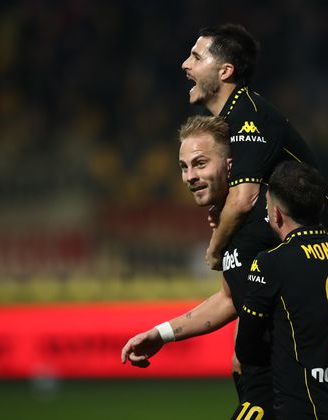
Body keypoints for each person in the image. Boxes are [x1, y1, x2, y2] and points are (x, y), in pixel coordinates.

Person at [121, 115, 279, 419]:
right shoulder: (230, 224)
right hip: (256, 384)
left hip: (285, 386)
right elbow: (229, 299)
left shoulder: (269, 214)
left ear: (231, 165)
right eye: (184, 167)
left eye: (200, 164)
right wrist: (161, 334)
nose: (189, 176)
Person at [181, 23, 328, 271]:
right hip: (295, 240)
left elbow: (243, 199)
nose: (185, 64)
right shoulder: (230, 116)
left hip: (327, 240)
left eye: (196, 57)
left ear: (225, 71)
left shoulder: (248, 115)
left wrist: (215, 250)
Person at [235, 161, 328, 419]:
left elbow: (246, 348)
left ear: (277, 214)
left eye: (268, 205)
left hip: (299, 410)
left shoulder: (272, 262)